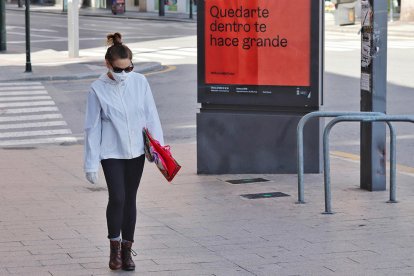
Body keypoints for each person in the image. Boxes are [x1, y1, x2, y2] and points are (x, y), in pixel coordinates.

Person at [83, 32, 164, 271]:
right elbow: (92, 128)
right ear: (107, 65)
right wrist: (90, 163)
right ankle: (114, 248)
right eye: (118, 70)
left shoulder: (140, 82)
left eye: (128, 69)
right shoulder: (97, 89)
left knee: (130, 200)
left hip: (136, 152)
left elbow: (151, 115)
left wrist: (159, 149)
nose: (124, 74)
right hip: (111, 152)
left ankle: (127, 252)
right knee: (117, 197)